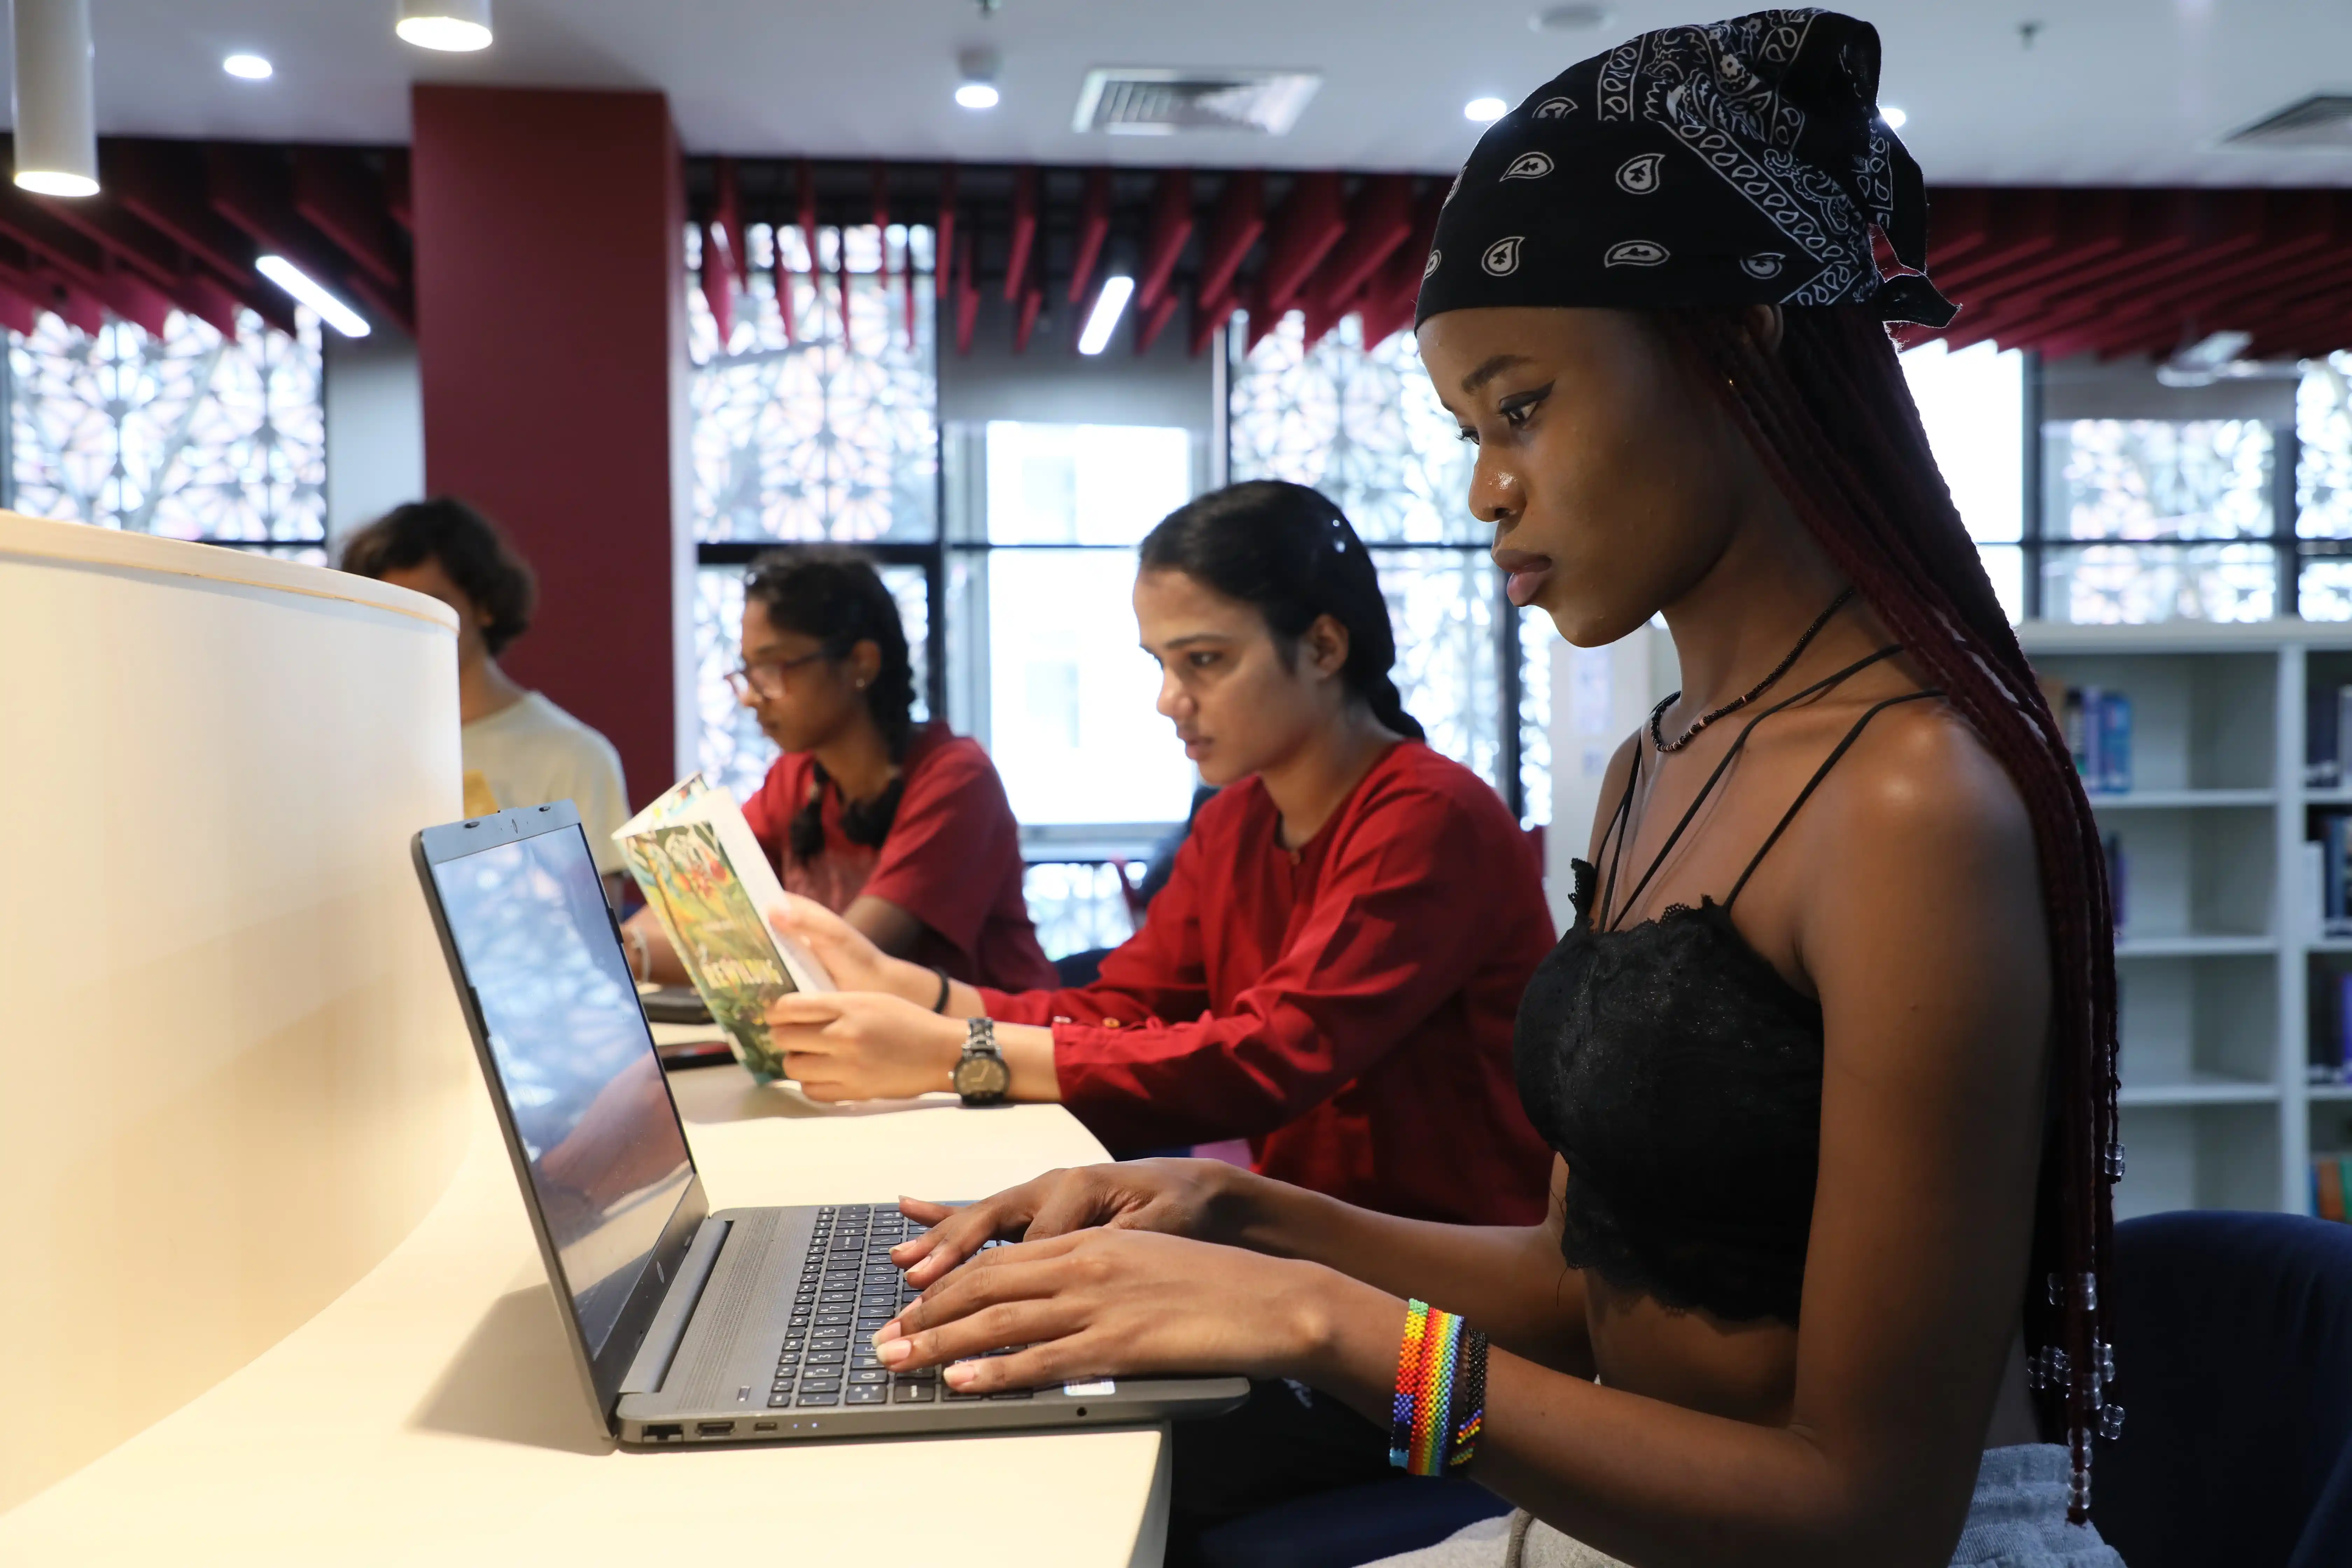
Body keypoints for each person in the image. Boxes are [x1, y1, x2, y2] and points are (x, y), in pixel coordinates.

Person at [854, 16, 2128, 1568]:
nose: (1481, 491)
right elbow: (1579, 1279)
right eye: (1468, 431)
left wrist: (1328, 1324)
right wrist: (1242, 1222)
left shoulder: (1908, 800)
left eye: (1518, 409)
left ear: (1733, 344)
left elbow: (1860, 1509)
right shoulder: (1652, 766)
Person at [765, 481, 1556, 1229]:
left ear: (1322, 647)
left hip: (1451, 1298)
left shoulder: (1428, 815)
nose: (1169, 699)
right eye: (1162, 664)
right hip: (1321, 1255)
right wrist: (923, 995)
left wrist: (956, 1052)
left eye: (1203, 661)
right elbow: (1128, 1010)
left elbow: (1270, 1055)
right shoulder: (1238, 819)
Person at [625, 546, 1055, 993]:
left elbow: (839, 966)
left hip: (994, 1051)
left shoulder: (956, 780)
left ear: (861, 663)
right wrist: (631, 945)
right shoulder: (797, 776)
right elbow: (682, 908)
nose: (751, 697)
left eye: (772, 668)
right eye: (748, 672)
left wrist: (636, 954)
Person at [342, 498, 631, 902]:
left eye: (430, 606)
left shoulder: (574, 756)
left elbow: (598, 934)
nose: (408, 631)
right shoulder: (353, 748)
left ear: (485, 606)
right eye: (389, 612)